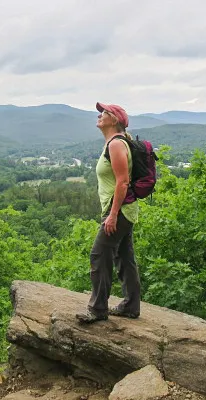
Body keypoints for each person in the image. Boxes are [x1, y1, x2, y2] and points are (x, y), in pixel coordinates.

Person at [76, 102, 141, 324]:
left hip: (119, 210)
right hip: (124, 209)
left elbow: (123, 182)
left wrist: (112, 215)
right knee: (124, 257)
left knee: (99, 254)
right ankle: (131, 306)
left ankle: (97, 309)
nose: (99, 115)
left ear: (114, 120)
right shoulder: (115, 143)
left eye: (104, 113)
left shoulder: (115, 144)